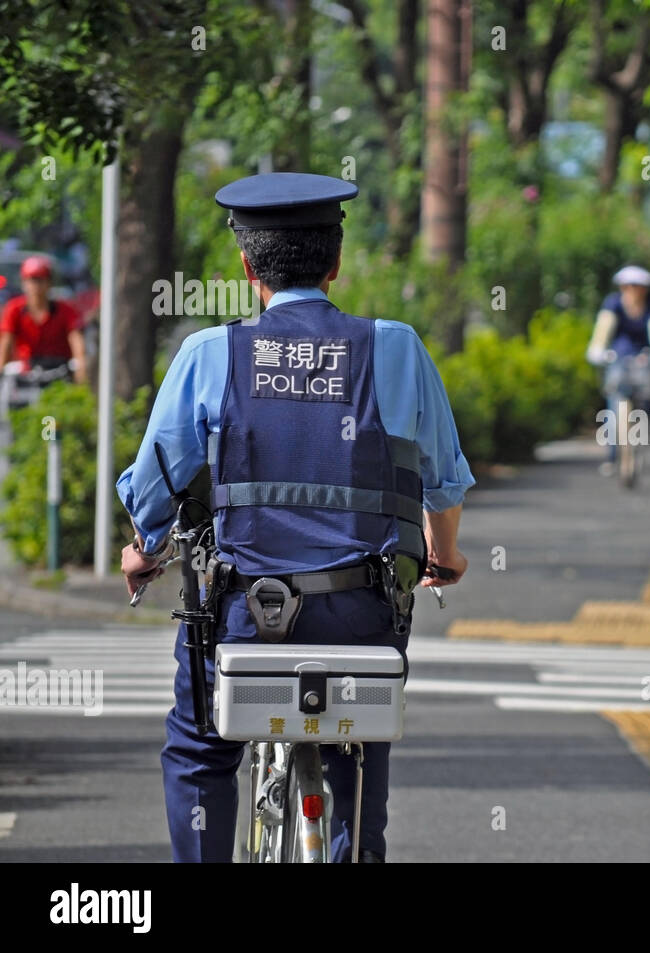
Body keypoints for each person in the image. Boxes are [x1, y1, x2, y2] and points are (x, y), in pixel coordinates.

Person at [116, 172, 475, 863]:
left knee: (199, 748)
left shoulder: (210, 354)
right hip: (362, 612)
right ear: (336, 263)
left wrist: (144, 546)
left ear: (246, 266)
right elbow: (443, 477)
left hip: (243, 615)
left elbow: (157, 482)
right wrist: (445, 551)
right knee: (361, 747)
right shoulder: (395, 347)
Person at [585, 265, 650, 476]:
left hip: (642, 360)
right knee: (614, 407)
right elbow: (603, 328)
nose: (633, 290)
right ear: (622, 287)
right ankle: (612, 455)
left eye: (638, 286)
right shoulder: (613, 304)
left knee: (646, 402)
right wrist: (597, 347)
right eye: (629, 286)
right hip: (618, 360)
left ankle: (641, 441)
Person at [0, 255, 88, 383]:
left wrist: (81, 373)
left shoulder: (65, 310)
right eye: (31, 280)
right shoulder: (14, 309)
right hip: (26, 372)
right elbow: (6, 343)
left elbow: (77, 343)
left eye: (40, 280)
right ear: (23, 283)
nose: (35, 285)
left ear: (49, 282)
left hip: (59, 371)